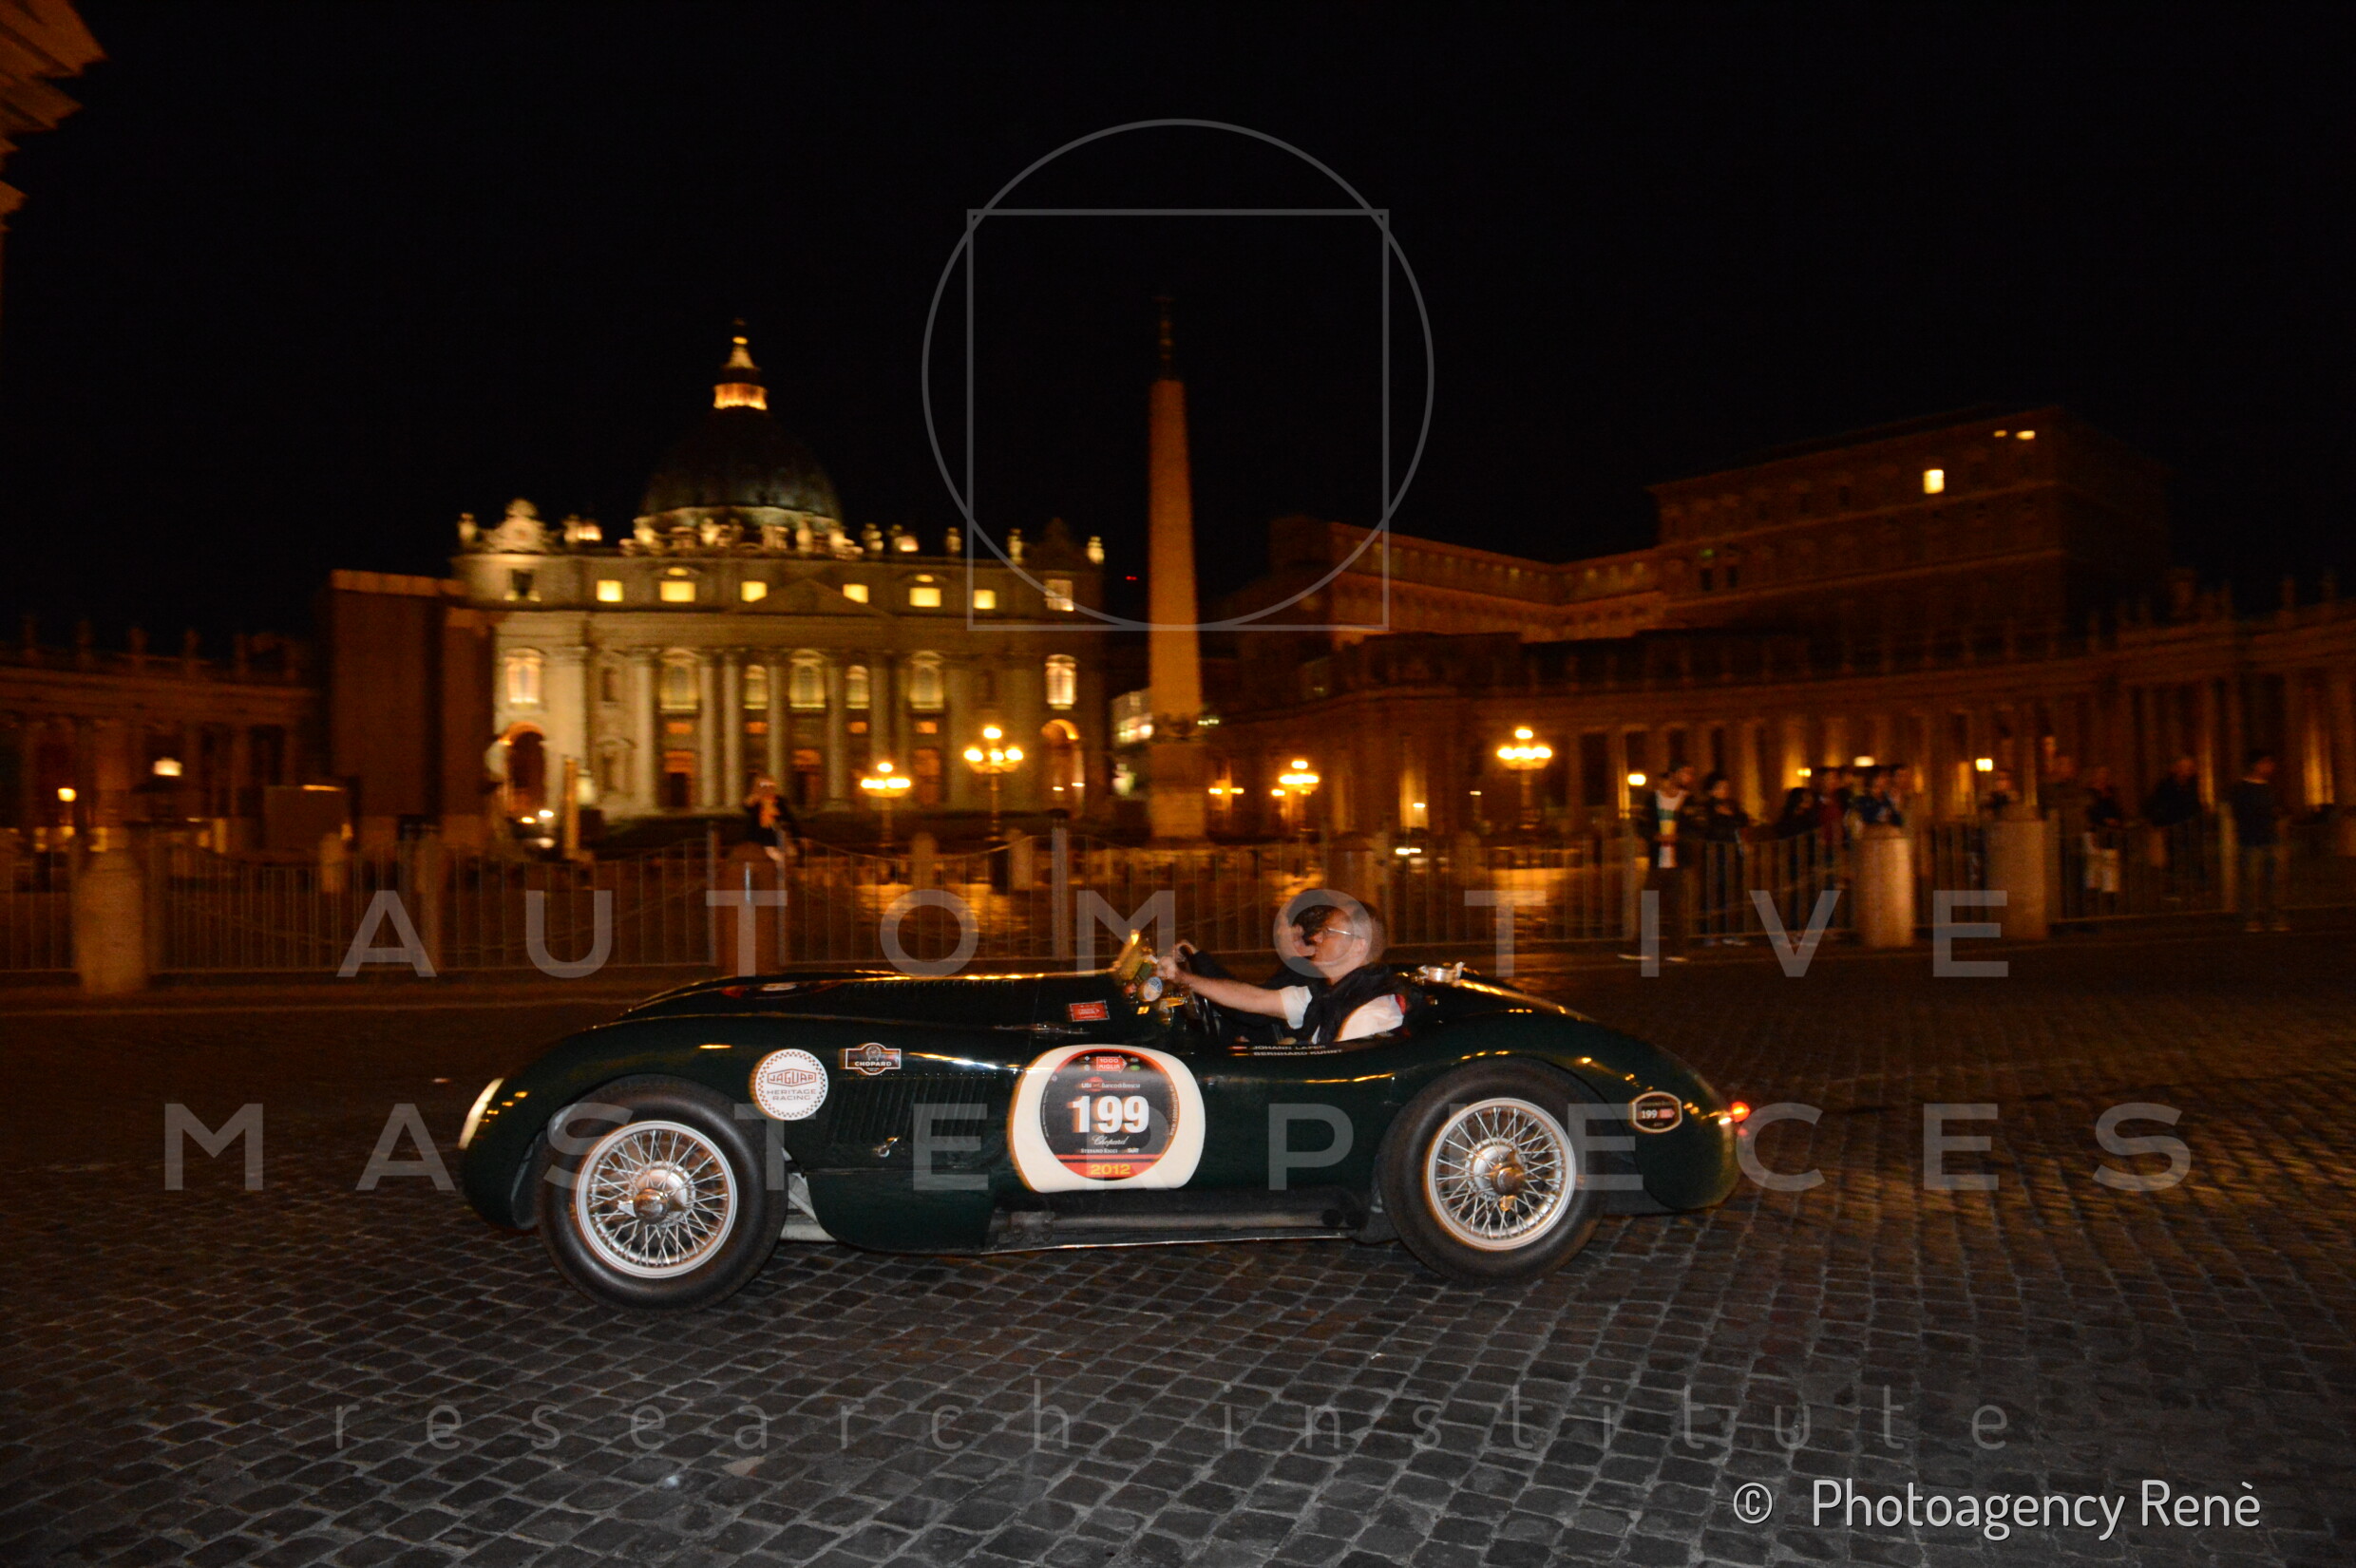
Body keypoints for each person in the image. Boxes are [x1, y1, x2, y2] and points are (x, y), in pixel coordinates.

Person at [1155, 902, 1403, 1047]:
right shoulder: (1323, 995)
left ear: (1358, 946)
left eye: (1328, 933)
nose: (1316, 938)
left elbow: (1343, 1088)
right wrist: (1182, 978)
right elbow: (1254, 999)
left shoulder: (1371, 1014)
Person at [1624, 762, 1703, 962]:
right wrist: (1654, 836)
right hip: (1658, 860)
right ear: (1673, 774)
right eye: (1685, 773)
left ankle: (1678, 950)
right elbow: (1642, 825)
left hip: (1679, 861)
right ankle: (1643, 949)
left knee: (1677, 907)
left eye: (1690, 774)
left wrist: (1680, 837)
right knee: (1649, 904)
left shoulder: (1690, 801)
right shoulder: (1653, 799)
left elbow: (1698, 828)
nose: (1689, 777)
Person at [2230, 750, 2287, 933]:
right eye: (2266, 763)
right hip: (2250, 840)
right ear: (2255, 765)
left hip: (2270, 838)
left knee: (2274, 881)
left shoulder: (2270, 787)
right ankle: (2250, 918)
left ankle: (2273, 916)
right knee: (2250, 881)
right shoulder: (2242, 788)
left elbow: (2277, 809)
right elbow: (2241, 813)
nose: (2271, 767)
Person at [1694, 770, 1751, 945]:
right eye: (1720, 787)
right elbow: (1707, 829)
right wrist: (1722, 818)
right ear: (1711, 790)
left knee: (1732, 894)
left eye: (1726, 787)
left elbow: (1744, 821)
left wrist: (1731, 817)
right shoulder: (1706, 808)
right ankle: (1709, 933)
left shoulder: (1732, 806)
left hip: (1733, 855)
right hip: (1714, 856)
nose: (1724, 791)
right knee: (1712, 894)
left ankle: (1730, 932)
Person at [742, 776, 805, 867]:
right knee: (777, 857)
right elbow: (747, 807)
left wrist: (799, 836)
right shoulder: (754, 801)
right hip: (761, 838)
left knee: (792, 853)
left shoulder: (779, 801)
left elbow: (789, 818)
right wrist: (756, 798)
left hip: (779, 835)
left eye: (770, 785)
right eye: (764, 786)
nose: (768, 788)